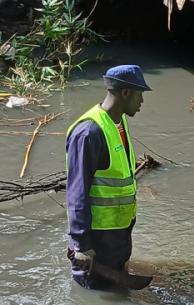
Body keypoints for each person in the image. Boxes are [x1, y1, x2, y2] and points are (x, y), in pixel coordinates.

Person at [65, 64, 152, 289]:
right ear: (125, 93)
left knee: (117, 290)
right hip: (98, 237)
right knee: (97, 293)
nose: (142, 101)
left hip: (117, 232)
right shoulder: (89, 133)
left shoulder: (118, 122)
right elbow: (77, 192)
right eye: (139, 94)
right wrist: (81, 245)